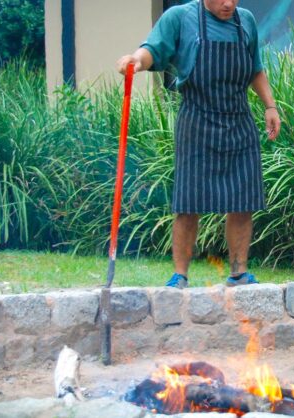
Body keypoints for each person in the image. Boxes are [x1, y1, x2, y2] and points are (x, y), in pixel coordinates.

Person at [116, 0, 280, 288]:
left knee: (243, 201)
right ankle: (180, 274)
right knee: (188, 203)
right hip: (196, 120)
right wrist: (136, 61)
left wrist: (270, 106)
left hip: (238, 119)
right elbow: (152, 49)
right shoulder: (180, 18)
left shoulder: (246, 22)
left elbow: (255, 67)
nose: (229, 3)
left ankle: (239, 273)